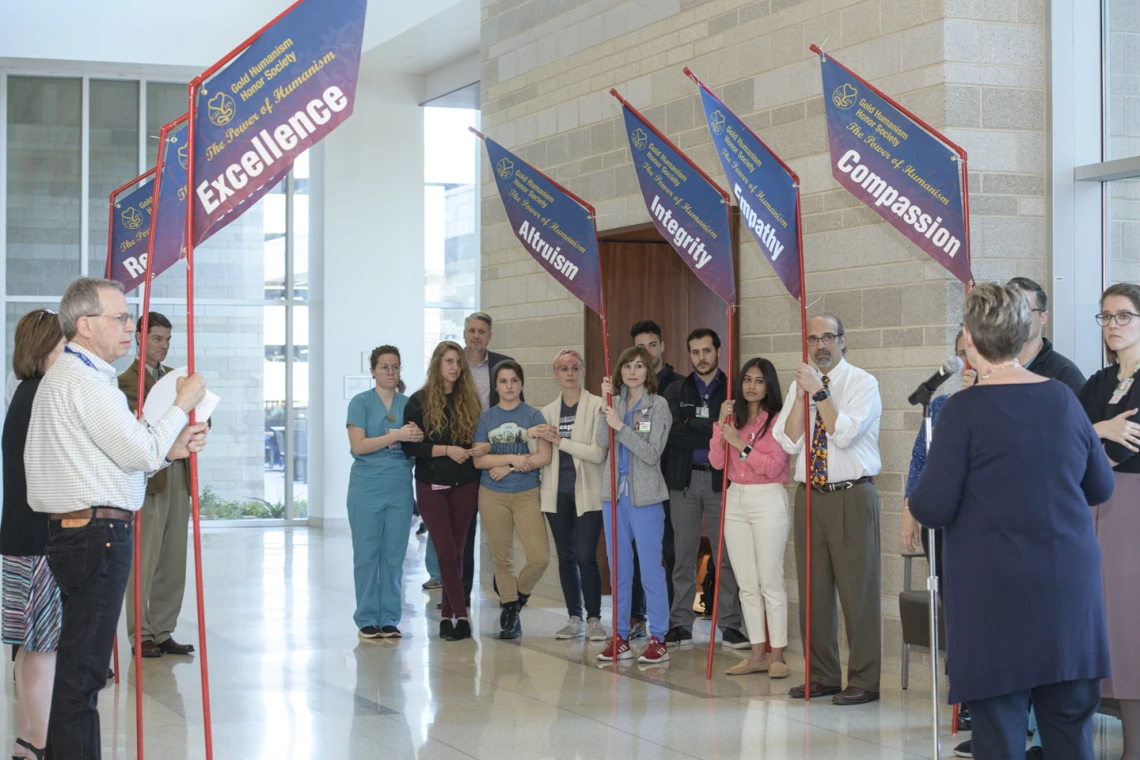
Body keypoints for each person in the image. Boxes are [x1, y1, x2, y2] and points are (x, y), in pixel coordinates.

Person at [909, 283, 1114, 759]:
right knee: (1069, 736)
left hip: (995, 600)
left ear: (970, 340)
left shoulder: (962, 411)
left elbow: (933, 507)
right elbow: (1100, 488)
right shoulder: (1064, 399)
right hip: (1067, 595)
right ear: (1026, 334)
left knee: (999, 736)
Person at [25, 277, 208, 757]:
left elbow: (121, 461)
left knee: (77, 672)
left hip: (77, 531)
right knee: (83, 676)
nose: (131, 327)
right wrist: (181, 406)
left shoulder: (73, 377)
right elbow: (141, 451)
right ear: (85, 326)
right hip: (95, 536)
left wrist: (170, 449)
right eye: (121, 318)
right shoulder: (86, 381)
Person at [773, 313, 883, 705]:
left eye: (828, 338)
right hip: (810, 494)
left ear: (843, 341)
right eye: (814, 339)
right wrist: (805, 394)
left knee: (859, 592)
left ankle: (866, 679)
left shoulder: (862, 383)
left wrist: (820, 393)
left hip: (851, 494)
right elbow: (787, 440)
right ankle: (822, 674)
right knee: (813, 591)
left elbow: (844, 433)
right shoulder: (799, 385)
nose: (821, 345)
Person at [1, 308, 66, 760]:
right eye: (65, 346)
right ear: (48, 349)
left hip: (19, 536)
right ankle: (38, 743)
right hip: (40, 539)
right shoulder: (44, 395)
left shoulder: (24, 392)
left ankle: (28, 739)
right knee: (42, 647)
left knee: (28, 645)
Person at [1080, 282, 1140, 760]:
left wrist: (1095, 444)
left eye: (1123, 316)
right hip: (1092, 508)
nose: (1113, 326)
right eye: (1106, 317)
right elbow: (1069, 440)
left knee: (1128, 618)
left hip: (1132, 508)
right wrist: (1101, 431)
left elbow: (1125, 453)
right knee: (1098, 614)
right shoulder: (1099, 382)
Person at [662, 328, 747, 650]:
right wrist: (714, 427)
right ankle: (681, 623)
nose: (701, 358)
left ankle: (729, 624)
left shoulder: (735, 390)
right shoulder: (675, 389)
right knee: (682, 556)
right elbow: (672, 433)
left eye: (706, 351)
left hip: (721, 482)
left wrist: (692, 425)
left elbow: (737, 431)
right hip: (683, 481)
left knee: (725, 556)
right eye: (695, 352)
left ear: (718, 351)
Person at [117, 311, 196, 658]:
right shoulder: (124, 382)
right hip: (148, 477)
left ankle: (164, 629)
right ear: (138, 337)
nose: (163, 346)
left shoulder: (179, 380)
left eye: (167, 340)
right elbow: (138, 428)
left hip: (179, 473)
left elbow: (195, 415)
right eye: (156, 339)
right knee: (143, 559)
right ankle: (142, 633)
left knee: (173, 558)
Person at [709, 357, 791, 678]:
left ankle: (777, 655)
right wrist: (720, 424)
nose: (751, 386)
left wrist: (741, 445)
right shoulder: (734, 420)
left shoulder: (778, 421)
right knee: (747, 583)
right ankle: (756, 654)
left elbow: (774, 466)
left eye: (758, 380)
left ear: (768, 385)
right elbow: (717, 462)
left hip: (768, 498)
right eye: (747, 380)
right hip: (736, 498)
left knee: (771, 580)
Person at [402, 341, 486, 641]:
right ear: (437, 364)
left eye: (458, 362)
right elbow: (411, 446)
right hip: (431, 486)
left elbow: (480, 438)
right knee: (446, 550)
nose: (454, 367)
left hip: (466, 484)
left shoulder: (470, 401)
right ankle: (461, 614)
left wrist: (482, 448)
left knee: (459, 550)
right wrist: (447, 450)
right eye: (448, 361)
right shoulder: (419, 401)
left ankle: (448, 616)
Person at [595, 346, 672, 664]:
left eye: (639, 365)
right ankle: (620, 637)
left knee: (651, 571)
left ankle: (658, 638)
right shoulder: (613, 404)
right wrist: (605, 407)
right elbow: (601, 443)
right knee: (619, 571)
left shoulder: (658, 406)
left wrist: (621, 428)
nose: (632, 371)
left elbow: (652, 453)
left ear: (647, 370)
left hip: (647, 497)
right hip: (614, 497)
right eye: (627, 365)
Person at [345, 345, 421, 639]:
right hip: (366, 486)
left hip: (399, 486)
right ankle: (366, 618)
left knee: (394, 555)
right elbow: (359, 446)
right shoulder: (360, 403)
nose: (390, 372)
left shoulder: (409, 404)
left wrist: (412, 436)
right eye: (384, 367)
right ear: (373, 371)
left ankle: (389, 617)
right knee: (367, 554)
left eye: (395, 367)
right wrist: (398, 435)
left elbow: (417, 441)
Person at [473, 360, 551, 639]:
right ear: (496, 386)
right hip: (493, 495)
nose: (508, 386)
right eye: (503, 381)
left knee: (539, 557)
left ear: (521, 383)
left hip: (527, 492)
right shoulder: (486, 418)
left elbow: (544, 456)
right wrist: (512, 458)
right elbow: (479, 460)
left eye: (513, 380)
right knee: (502, 559)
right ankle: (510, 612)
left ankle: (516, 597)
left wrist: (507, 467)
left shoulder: (534, 416)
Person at [536, 349, 607, 641]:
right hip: (557, 495)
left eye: (574, 367)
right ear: (555, 374)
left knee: (586, 556)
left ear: (582, 371)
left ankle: (594, 619)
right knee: (565, 557)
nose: (569, 373)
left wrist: (561, 441)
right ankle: (574, 617)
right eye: (563, 369)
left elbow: (597, 453)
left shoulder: (598, 406)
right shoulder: (547, 412)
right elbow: (542, 454)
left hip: (587, 493)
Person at [629, 320, 683, 637]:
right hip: (636, 482)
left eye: (652, 345)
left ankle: (671, 618)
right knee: (637, 551)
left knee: (670, 551)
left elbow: (679, 433)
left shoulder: (677, 386)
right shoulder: (629, 390)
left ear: (661, 347)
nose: (648, 353)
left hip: (669, 480)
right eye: (641, 347)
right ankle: (638, 615)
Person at [462, 312, 517, 606]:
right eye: (471, 330)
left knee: (500, 536)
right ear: (464, 334)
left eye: (482, 331)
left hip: (496, 455)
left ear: (489, 335)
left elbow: (516, 409)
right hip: (462, 454)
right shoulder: (452, 364)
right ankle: (461, 596)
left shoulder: (502, 365)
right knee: (465, 532)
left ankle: (505, 597)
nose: (476, 336)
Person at [1007, 277, 1086, 395]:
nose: (1017, 318)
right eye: (1010, 310)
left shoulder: (1065, 375)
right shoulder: (993, 369)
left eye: (1025, 310)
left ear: (1043, 317)